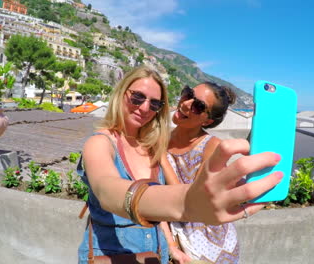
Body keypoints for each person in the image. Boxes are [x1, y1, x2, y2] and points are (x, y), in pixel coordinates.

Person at [77, 66, 284, 264]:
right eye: (137, 97)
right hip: (114, 254)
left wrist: (171, 246)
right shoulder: (101, 143)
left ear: (207, 121)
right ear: (121, 92)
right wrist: (186, 202)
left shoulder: (152, 144)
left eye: (155, 103)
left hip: (193, 245)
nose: (145, 107)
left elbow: (163, 214)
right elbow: (107, 189)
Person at [160, 82, 242, 264]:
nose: (186, 103)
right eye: (187, 93)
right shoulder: (161, 138)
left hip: (209, 247)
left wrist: (161, 157)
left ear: (207, 121)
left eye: (198, 106)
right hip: (172, 240)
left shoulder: (212, 147)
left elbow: (189, 200)